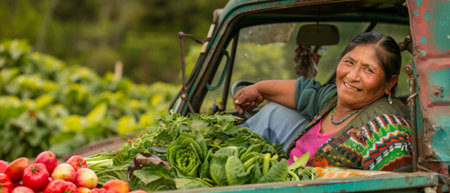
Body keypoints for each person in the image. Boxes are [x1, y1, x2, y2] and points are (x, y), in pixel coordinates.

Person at [234, 32, 413, 171]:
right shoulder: (333, 100)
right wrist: (258, 89)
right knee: (274, 111)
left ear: (389, 83)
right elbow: (304, 91)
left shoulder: (387, 131)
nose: (352, 76)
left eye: (368, 70)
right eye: (349, 62)